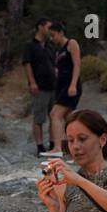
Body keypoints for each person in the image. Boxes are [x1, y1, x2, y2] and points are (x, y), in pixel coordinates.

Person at [44, 23, 82, 156]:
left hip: (70, 85)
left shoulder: (71, 44)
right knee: (70, 119)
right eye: (50, 36)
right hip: (61, 86)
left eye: (53, 35)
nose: (51, 38)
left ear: (61, 33)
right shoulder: (59, 51)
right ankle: (74, 151)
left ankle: (57, 148)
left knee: (55, 114)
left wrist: (73, 84)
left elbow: (77, 65)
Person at [21, 17, 56, 157]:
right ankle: (40, 146)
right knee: (39, 117)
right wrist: (32, 82)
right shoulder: (30, 46)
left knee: (54, 117)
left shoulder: (50, 46)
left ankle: (53, 144)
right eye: (48, 27)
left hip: (53, 86)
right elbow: (27, 64)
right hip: (39, 87)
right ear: (40, 27)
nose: (51, 31)